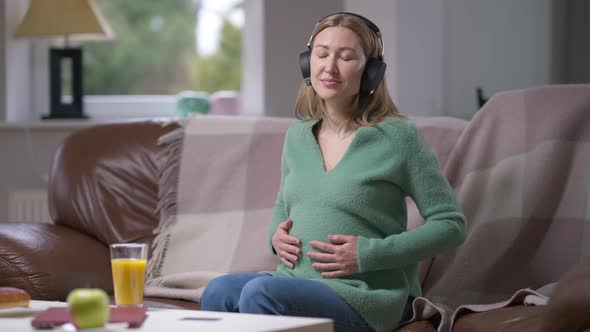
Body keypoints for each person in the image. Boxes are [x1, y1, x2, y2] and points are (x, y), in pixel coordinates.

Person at [200, 12, 467, 332]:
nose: (329, 67)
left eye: (346, 57)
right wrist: (276, 237)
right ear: (307, 63)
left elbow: (451, 225)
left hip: (366, 295)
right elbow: (283, 205)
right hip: (295, 280)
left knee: (262, 294)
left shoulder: (398, 137)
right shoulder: (297, 136)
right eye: (322, 54)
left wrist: (368, 253)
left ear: (371, 71)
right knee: (218, 291)